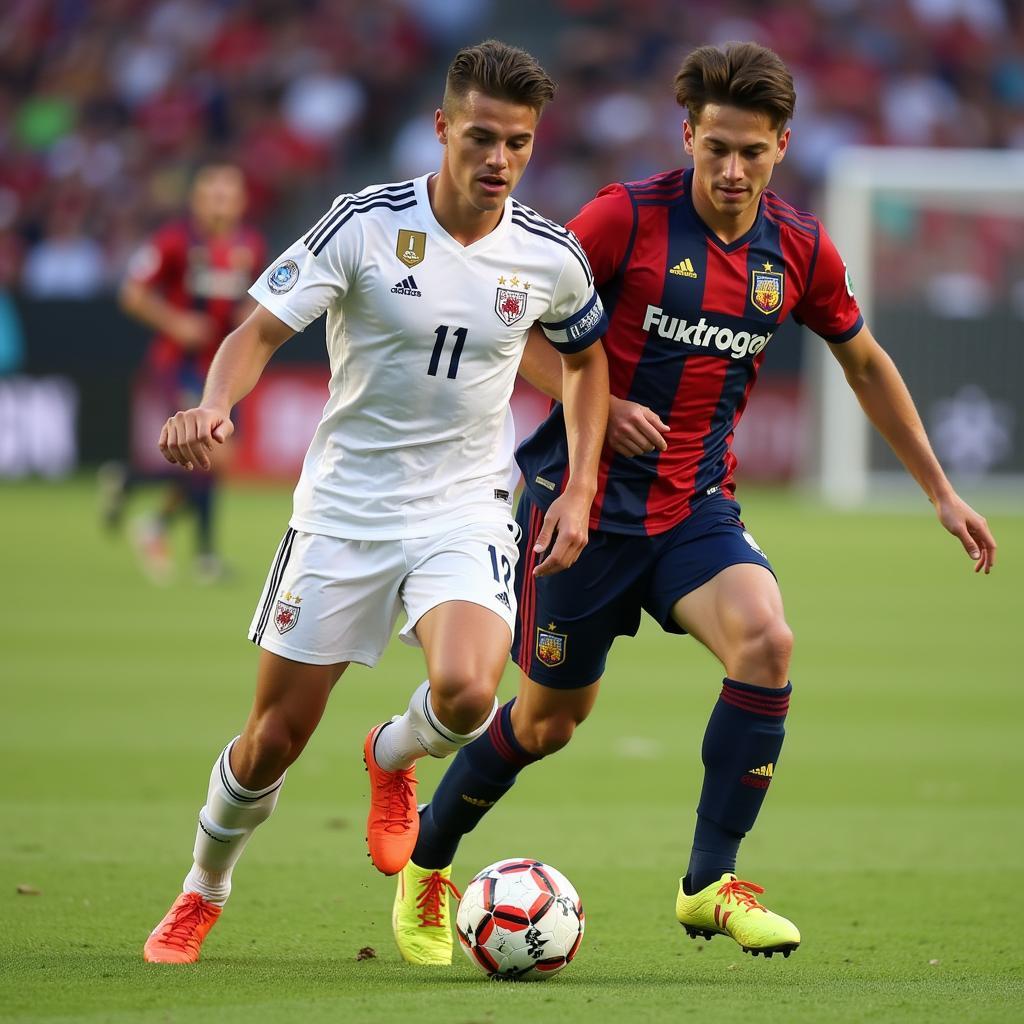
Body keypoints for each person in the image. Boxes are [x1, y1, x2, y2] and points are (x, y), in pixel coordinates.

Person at [393, 41, 997, 966]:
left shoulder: (796, 247)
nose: (730, 169)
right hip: (578, 508)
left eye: (750, 152)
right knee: (548, 722)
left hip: (693, 507)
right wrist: (595, 397)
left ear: (782, 147)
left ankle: (708, 886)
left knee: (768, 638)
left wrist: (941, 491)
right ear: (687, 135)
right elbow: (511, 324)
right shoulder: (623, 220)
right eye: (714, 147)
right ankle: (428, 861)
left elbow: (864, 361)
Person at [143, 40, 609, 965]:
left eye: (518, 143)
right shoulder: (363, 224)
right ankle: (204, 888)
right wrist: (213, 405)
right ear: (441, 128)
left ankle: (393, 755)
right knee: (271, 740)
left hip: (467, 502)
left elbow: (587, 359)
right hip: (344, 512)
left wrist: (584, 482)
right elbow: (257, 329)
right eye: (480, 137)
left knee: (473, 692)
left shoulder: (548, 255)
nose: (499, 160)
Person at [107, 163, 265, 583]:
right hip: (179, 364)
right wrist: (176, 323)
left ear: (241, 201)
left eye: (227, 194)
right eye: (212, 193)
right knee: (210, 449)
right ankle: (205, 556)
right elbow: (132, 293)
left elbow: (257, 300)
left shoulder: (250, 245)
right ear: (196, 199)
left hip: (224, 368)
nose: (219, 203)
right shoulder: (173, 241)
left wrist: (249, 316)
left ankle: (137, 493)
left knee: (215, 457)